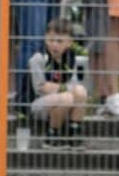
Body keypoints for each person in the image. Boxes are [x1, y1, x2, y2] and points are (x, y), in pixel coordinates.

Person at [25, 17, 91, 145]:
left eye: (60, 41)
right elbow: (40, 87)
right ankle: (52, 135)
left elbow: (79, 86)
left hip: (64, 101)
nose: (54, 44)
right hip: (38, 105)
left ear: (70, 42)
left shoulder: (72, 59)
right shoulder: (39, 58)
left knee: (81, 91)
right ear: (45, 38)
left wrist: (65, 89)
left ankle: (74, 132)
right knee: (68, 97)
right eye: (51, 40)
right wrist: (65, 89)